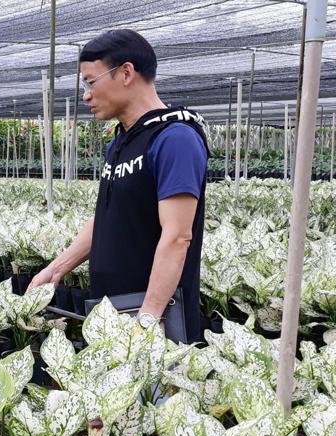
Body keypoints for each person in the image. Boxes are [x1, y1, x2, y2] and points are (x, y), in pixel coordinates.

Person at [28, 29, 208, 342]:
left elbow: (178, 236)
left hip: (152, 321)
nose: (85, 94)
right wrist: (57, 269)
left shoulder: (174, 138)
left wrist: (148, 319)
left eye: (91, 81)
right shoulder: (122, 140)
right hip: (114, 310)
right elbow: (110, 217)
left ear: (126, 72)